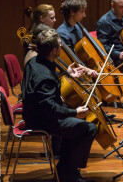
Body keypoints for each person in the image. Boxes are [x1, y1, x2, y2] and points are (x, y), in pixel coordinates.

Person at [22, 28, 96, 182]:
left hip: (36, 113)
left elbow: (46, 88)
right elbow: (51, 109)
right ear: (53, 50)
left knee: (76, 125)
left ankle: (65, 168)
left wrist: (66, 73)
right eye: (60, 45)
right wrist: (74, 112)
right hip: (41, 119)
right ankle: (69, 173)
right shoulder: (44, 76)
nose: (62, 47)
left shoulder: (35, 61)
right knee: (88, 127)